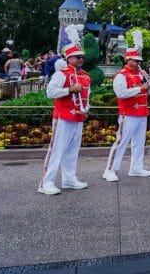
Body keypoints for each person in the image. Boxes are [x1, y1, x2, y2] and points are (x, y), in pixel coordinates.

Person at [38, 43, 90, 195]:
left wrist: (86, 110)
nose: (81, 59)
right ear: (69, 58)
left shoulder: (85, 76)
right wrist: (69, 90)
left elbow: (88, 96)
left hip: (78, 116)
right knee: (56, 150)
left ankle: (69, 179)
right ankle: (46, 183)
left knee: (72, 150)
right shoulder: (61, 74)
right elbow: (50, 92)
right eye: (77, 57)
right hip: (63, 116)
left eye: (82, 57)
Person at [103, 48, 150, 182]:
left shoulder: (140, 73)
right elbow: (121, 93)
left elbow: (145, 93)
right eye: (135, 60)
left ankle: (136, 167)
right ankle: (110, 169)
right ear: (127, 60)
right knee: (121, 142)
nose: (138, 63)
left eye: (139, 61)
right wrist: (140, 88)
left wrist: (149, 88)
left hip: (142, 112)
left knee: (139, 142)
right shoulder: (121, 75)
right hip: (129, 113)